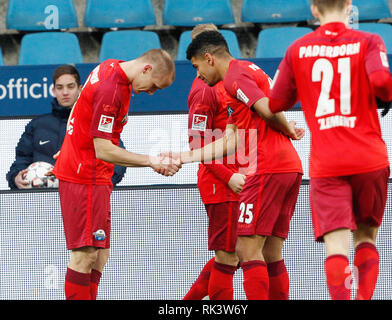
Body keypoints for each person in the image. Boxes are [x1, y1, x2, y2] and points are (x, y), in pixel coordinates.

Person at [267, 0, 392, 300]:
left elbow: (275, 103)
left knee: (336, 247)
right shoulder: (369, 41)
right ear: (349, 6)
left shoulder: (298, 49)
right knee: (365, 238)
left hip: (327, 163)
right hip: (369, 157)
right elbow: (382, 83)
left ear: (314, 9)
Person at [169, 31, 304, 300]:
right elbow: (232, 140)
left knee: (243, 251)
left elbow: (266, 107)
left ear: (208, 58)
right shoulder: (247, 71)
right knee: (270, 253)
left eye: (196, 67)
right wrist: (184, 157)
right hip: (289, 166)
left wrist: (286, 127)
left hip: (263, 168)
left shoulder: (233, 77)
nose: (198, 75)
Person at [52, 49, 181, 300]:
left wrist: (70, 141)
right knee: (85, 254)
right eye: (154, 86)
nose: (152, 92)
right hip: (85, 176)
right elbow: (104, 150)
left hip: (93, 174)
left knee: (101, 254)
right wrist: (151, 161)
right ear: (146, 69)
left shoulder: (111, 66)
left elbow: (80, 106)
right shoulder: (112, 90)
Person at [183, 24, 246, 301]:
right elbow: (197, 143)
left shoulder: (228, 82)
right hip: (222, 182)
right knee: (229, 256)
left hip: (238, 176)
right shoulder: (204, 90)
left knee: (240, 253)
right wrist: (227, 175)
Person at [6, 65, 126, 189]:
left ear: (80, 89)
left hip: (83, 198)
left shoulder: (95, 123)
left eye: (70, 86)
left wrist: (97, 185)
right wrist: (15, 178)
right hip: (41, 203)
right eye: (60, 87)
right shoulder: (36, 125)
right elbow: (21, 161)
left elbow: (117, 159)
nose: (65, 92)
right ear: (54, 91)